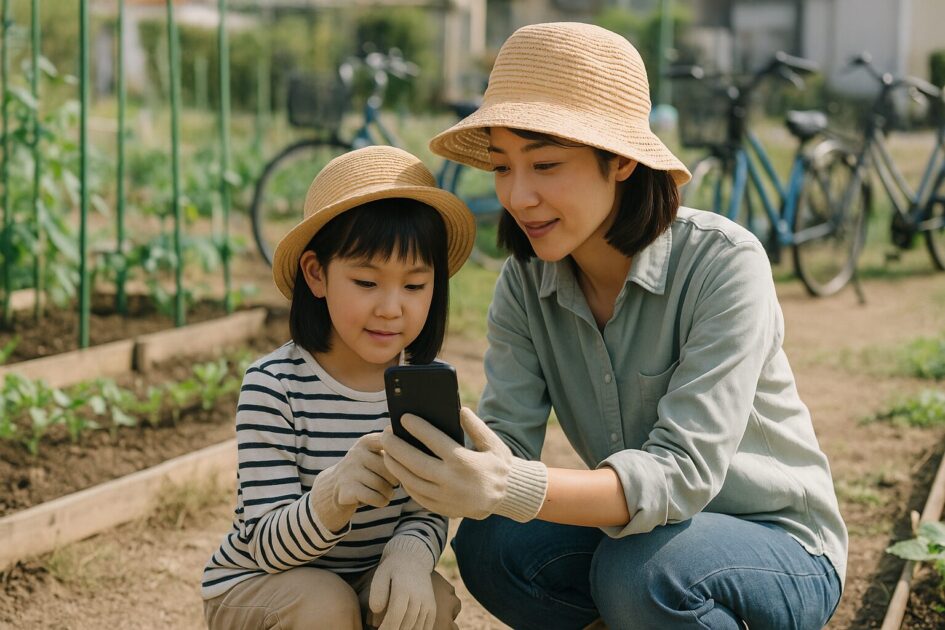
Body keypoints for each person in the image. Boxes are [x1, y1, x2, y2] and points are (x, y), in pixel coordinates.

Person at [380, 22, 847, 630]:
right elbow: (506, 450)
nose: (518, 196)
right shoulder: (526, 284)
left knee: (640, 575)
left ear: (621, 159)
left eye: (545, 163)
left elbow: (680, 475)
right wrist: (422, 508)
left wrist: (509, 484)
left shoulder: (725, 264)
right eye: (501, 167)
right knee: (491, 547)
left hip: (778, 545)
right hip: (642, 538)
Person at [201, 146, 474, 630]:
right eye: (367, 282)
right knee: (326, 603)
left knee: (426, 600)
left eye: (414, 286)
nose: (392, 308)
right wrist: (331, 497)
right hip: (260, 587)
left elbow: (425, 508)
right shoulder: (274, 386)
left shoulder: (421, 387)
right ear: (316, 274)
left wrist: (411, 553)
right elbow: (265, 543)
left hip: (362, 579)